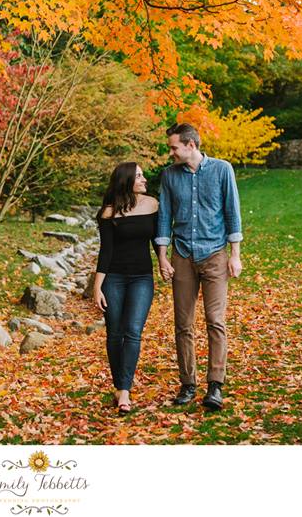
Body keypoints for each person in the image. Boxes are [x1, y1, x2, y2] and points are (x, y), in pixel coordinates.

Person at [155, 122, 243, 411]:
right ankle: (187, 383)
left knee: (215, 321)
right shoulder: (169, 176)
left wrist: (235, 254)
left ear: (190, 145)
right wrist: (163, 257)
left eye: (174, 147)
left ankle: (215, 385)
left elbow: (232, 212)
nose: (170, 152)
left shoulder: (222, 170)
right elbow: (164, 216)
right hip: (181, 255)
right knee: (183, 324)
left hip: (215, 254)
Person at [91, 162, 160, 414]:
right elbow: (105, 252)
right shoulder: (108, 213)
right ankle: (120, 387)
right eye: (139, 176)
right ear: (126, 180)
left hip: (142, 277)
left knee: (133, 331)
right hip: (114, 279)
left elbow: (157, 240)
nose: (144, 179)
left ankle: (124, 391)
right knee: (114, 333)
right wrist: (97, 288)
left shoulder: (153, 205)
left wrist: (163, 261)